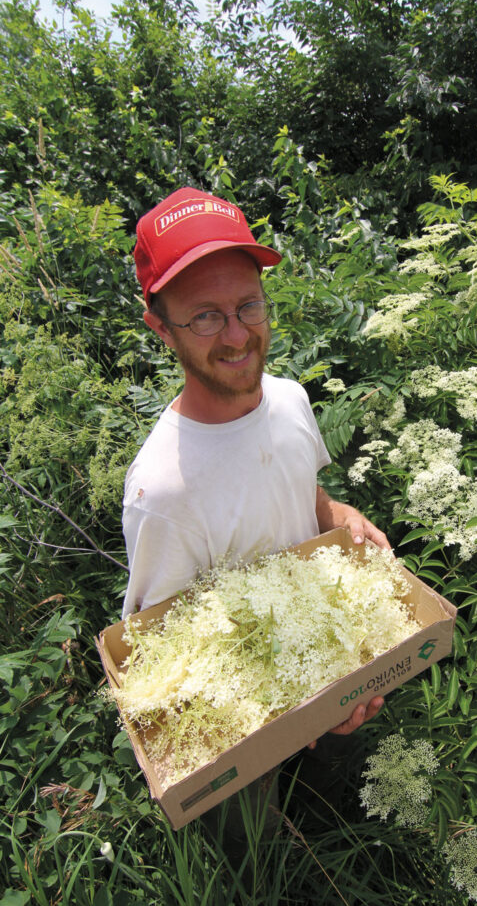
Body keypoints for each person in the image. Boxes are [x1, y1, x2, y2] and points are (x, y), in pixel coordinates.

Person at [123, 186, 386, 753]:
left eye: (248, 305)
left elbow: (302, 492)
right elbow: (166, 660)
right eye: (205, 317)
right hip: (245, 748)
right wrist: (294, 714)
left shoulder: (290, 399)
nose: (238, 335)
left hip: (337, 670)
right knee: (255, 842)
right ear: (161, 328)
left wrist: (339, 513)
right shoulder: (162, 491)